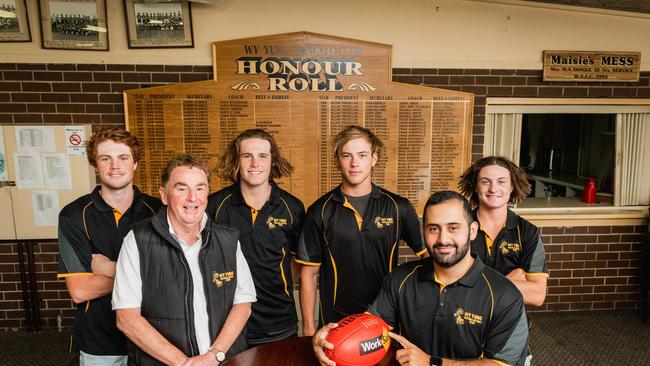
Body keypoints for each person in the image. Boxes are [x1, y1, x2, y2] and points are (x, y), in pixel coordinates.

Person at [313, 191, 529, 366]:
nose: (443, 239)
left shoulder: (504, 296)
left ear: (473, 231)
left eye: (453, 228)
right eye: (433, 229)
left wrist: (432, 363)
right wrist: (330, 343)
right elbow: (371, 331)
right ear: (423, 232)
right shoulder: (400, 279)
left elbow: (501, 365)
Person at [112, 155, 257, 365]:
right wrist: (183, 363)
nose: (192, 198)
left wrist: (213, 356)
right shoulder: (137, 240)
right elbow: (126, 319)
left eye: (200, 188)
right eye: (181, 189)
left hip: (224, 360)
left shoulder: (228, 240)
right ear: (164, 195)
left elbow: (243, 303)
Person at [297, 125, 426, 336]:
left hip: (386, 319)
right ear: (337, 160)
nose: (354, 163)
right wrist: (309, 330)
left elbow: (428, 257)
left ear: (374, 159)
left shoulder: (398, 207)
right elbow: (309, 275)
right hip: (335, 323)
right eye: (347, 155)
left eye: (362, 155)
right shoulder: (320, 211)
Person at [57, 128, 161, 365]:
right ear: (95, 165)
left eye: (123, 158)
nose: (115, 166)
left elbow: (176, 274)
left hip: (156, 336)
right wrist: (148, 274)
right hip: (100, 342)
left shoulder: (158, 211)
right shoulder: (73, 215)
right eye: (106, 159)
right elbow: (80, 290)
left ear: (135, 163)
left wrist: (106, 267)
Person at [207, 129, 305, 346]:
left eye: (262, 156)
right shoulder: (214, 205)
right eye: (247, 156)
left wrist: (279, 284)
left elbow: (299, 261)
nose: (255, 163)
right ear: (236, 161)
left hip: (279, 321)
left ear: (273, 161)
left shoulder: (292, 207)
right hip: (227, 324)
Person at [458, 156, 548, 307]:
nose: (493, 189)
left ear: (512, 186)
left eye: (501, 181)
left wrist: (475, 284)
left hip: (510, 322)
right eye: (485, 182)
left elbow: (537, 295)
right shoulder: (460, 227)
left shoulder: (527, 231)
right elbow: (452, 287)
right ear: (475, 186)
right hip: (464, 318)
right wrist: (510, 280)